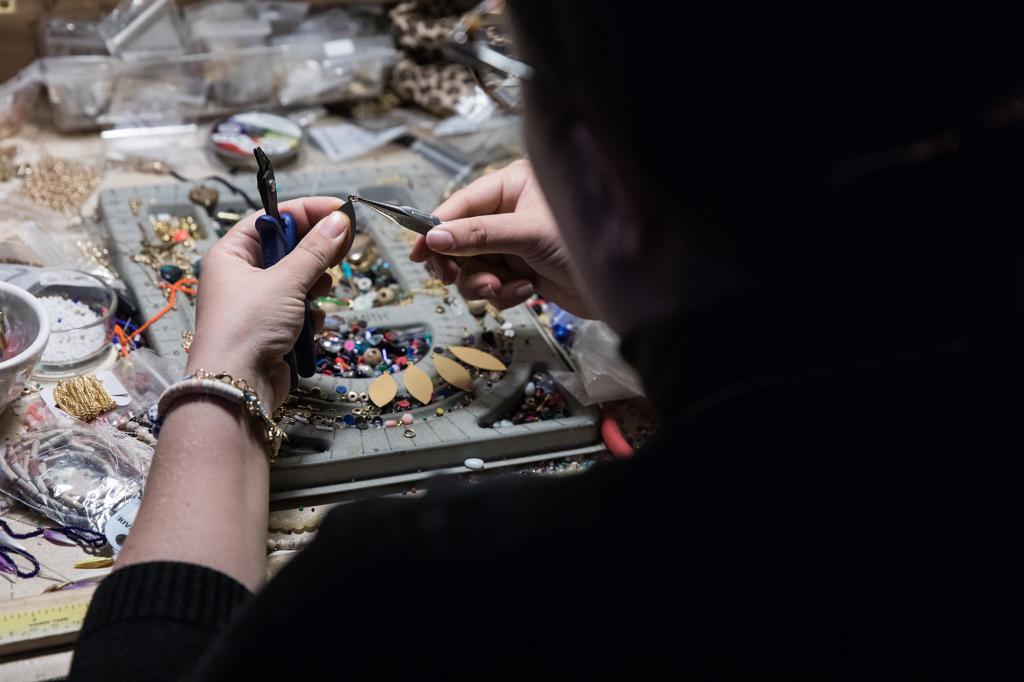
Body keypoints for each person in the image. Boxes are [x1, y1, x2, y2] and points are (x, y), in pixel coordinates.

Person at [70, 4, 1024, 679]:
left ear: (607, 186)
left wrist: (223, 380)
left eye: (517, 79)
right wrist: (630, 285)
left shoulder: (430, 601)